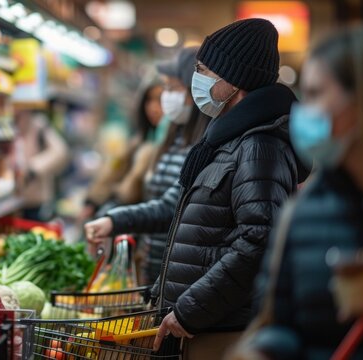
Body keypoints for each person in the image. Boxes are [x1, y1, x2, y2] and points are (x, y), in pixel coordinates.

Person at [86, 18, 308, 359]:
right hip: (200, 324)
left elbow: (260, 239)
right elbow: (183, 210)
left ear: (233, 81)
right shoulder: (225, 138)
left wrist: (191, 309)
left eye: (204, 70)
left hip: (220, 330)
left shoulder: (259, 145)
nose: (196, 79)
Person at [230, 24, 363, 360]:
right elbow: (278, 323)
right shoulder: (301, 213)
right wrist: (263, 350)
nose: (302, 110)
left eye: (314, 94)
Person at [89, 47, 211, 285]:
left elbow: (171, 206)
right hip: (153, 266)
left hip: (179, 275)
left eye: (172, 88)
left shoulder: (204, 144)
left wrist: (114, 220)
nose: (165, 99)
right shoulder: (171, 136)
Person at [81, 83, 163, 219]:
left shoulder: (167, 147)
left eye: (160, 100)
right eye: (149, 100)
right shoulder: (137, 143)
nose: (153, 107)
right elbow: (113, 173)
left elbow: (130, 192)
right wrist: (93, 201)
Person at [14, 109, 69, 221]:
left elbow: (60, 151)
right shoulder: (7, 122)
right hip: (13, 202)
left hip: (36, 200)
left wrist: (33, 168)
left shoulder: (39, 125)